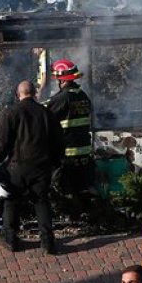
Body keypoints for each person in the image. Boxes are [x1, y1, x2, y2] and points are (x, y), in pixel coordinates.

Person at [0, 80, 65, 253]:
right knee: (41, 202)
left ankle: (11, 239)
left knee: (12, 202)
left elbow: (1, 143)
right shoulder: (47, 114)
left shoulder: (10, 113)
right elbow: (58, 142)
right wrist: (55, 163)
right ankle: (47, 243)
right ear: (35, 94)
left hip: (17, 167)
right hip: (42, 167)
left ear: (18, 95)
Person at [46, 59, 95, 197]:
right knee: (83, 192)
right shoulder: (83, 95)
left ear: (61, 80)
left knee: (66, 192)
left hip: (67, 154)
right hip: (84, 153)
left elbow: (44, 114)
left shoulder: (62, 97)